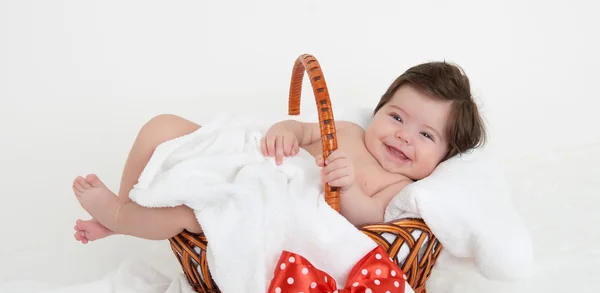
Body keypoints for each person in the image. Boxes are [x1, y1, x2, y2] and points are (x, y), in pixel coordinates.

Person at [72, 61, 486, 244]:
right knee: (161, 126)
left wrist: (349, 190)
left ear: (444, 159)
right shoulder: (347, 129)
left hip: (260, 200)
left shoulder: (397, 186)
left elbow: (371, 219)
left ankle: (120, 217)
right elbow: (299, 127)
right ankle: (128, 204)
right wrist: (284, 132)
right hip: (246, 160)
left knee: (189, 216)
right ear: (378, 110)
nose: (403, 137)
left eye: (426, 136)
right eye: (397, 118)